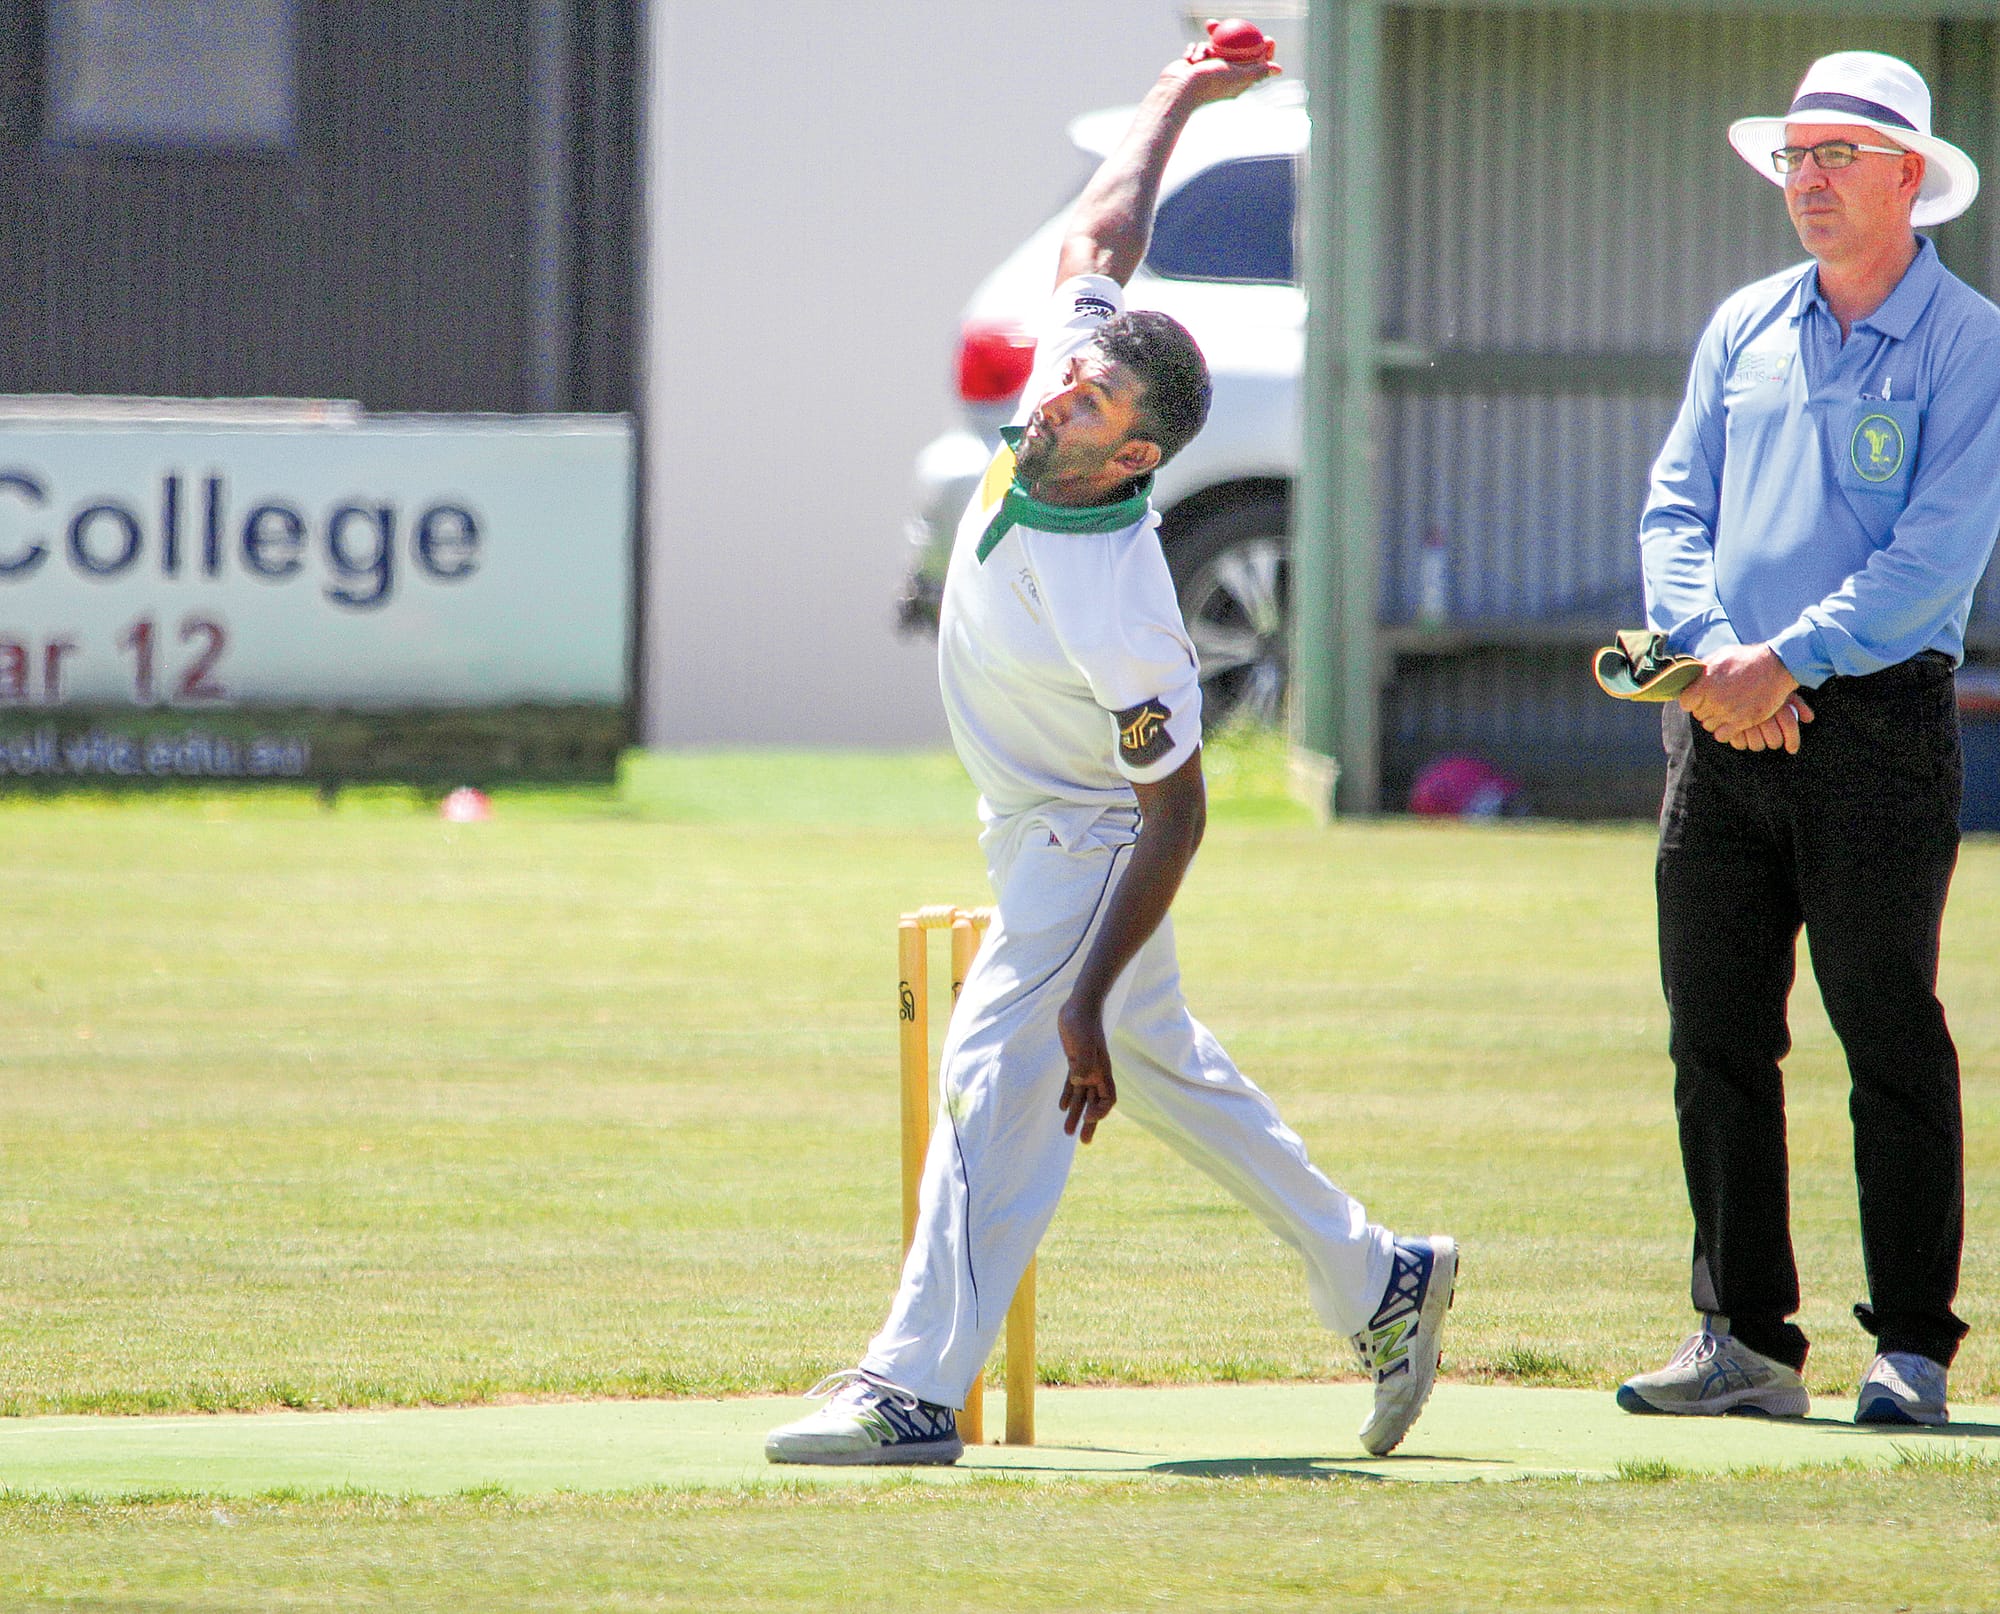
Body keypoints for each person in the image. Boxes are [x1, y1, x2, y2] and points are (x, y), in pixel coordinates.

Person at [765, 41, 1456, 1466]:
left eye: (1086, 407)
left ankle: (911, 1389)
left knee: (990, 1076)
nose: (1054, 398)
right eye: (1068, 376)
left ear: (1136, 460)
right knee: (1172, 1075)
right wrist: (1181, 98)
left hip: (1095, 843)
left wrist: (1078, 997)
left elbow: (1181, 811)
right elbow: (1102, 231)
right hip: (1031, 826)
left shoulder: (1131, 601)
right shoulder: (1070, 369)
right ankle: (1380, 1276)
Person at [1619, 50, 2000, 1428]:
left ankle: (1911, 1346)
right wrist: (1719, 654)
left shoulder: (1971, 344)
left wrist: (1781, 659)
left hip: (1877, 725)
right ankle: (1744, 1337)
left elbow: (1933, 555)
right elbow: (1674, 507)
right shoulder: (1745, 327)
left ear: (1913, 176)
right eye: (1795, 154)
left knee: (1885, 1025)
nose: (1811, 179)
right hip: (1718, 719)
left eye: (1840, 153)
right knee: (1715, 1027)